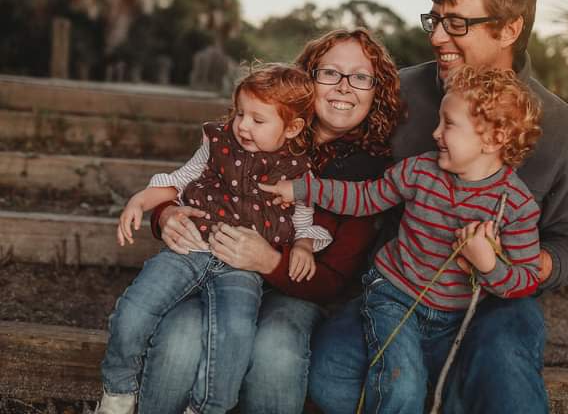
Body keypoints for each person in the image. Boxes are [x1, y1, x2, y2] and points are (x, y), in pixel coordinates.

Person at [308, 0, 568, 414]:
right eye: (436, 20)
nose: (438, 37)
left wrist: (511, 266)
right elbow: (318, 137)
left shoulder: (565, 131)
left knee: (505, 373)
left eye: (458, 24)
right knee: (327, 376)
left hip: (495, 299)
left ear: (509, 29)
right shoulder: (399, 92)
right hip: (398, 285)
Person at [131, 29, 403, 414]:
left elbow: (333, 282)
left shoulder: (369, 176)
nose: (344, 87)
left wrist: (269, 262)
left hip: (294, 294)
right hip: (216, 267)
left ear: (376, 91)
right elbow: (195, 179)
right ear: (306, 80)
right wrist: (166, 215)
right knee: (182, 335)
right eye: (329, 73)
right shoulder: (259, 126)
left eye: (360, 77)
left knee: (277, 346)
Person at [261, 66, 543, 412]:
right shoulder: (420, 171)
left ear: (494, 138)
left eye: (449, 124)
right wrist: (302, 188)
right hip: (394, 296)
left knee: (456, 392)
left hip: (455, 317)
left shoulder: (515, 206)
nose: (436, 132)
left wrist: (488, 264)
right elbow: (365, 198)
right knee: (402, 382)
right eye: (439, 120)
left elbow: (525, 279)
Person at [98, 64, 333, 414]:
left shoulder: (297, 173)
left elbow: (304, 223)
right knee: (135, 308)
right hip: (189, 248)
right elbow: (178, 180)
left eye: (257, 119)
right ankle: (118, 391)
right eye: (240, 113)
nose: (243, 126)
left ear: (293, 127)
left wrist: (303, 245)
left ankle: (208, 407)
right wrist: (142, 201)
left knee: (235, 333)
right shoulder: (218, 144)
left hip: (241, 268)